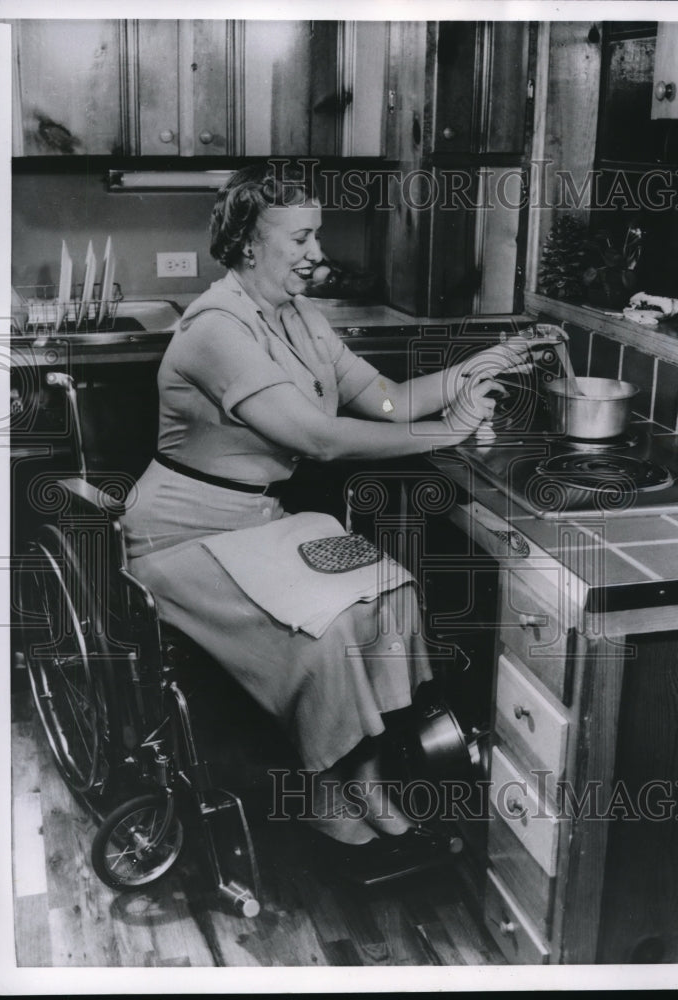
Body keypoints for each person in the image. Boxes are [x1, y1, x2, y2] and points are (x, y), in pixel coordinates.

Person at [121, 162, 525, 882]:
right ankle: (319, 791)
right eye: (300, 237)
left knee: (386, 592)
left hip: (262, 520)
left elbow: (388, 400)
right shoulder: (217, 326)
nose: (316, 253)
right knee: (330, 625)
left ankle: (362, 781)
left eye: (317, 235)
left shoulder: (301, 317)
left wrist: (468, 370)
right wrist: (450, 434)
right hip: (183, 538)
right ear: (248, 243)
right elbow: (319, 438)